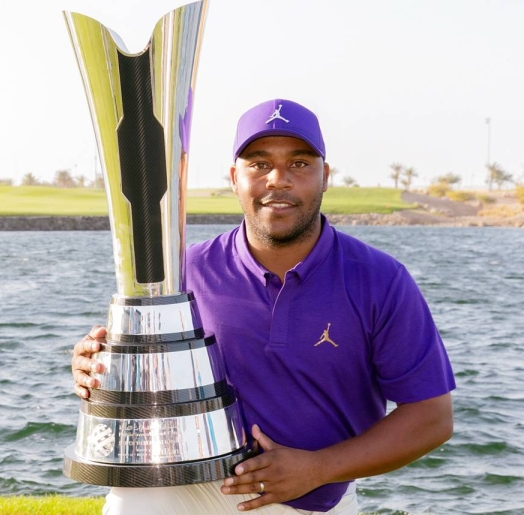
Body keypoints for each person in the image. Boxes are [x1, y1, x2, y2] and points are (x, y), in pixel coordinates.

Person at [72, 99, 455, 514]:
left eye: (300, 164)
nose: (278, 180)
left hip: (311, 500)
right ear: (234, 178)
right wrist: (96, 362)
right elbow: (135, 374)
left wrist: (317, 468)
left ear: (325, 176)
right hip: (175, 484)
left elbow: (431, 417)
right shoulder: (182, 271)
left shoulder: (380, 279)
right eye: (258, 164)